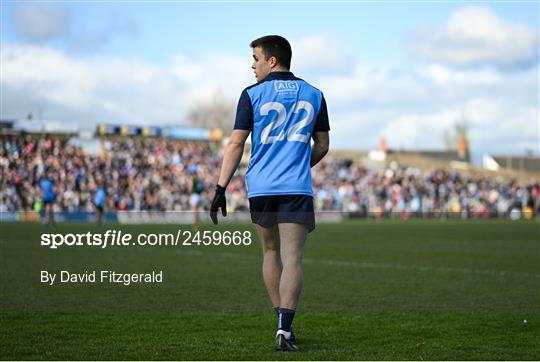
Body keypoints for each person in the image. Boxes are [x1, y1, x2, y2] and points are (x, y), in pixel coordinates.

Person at [210, 35, 330, 352]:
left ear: (271, 60)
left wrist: (220, 188)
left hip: (261, 187)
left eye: (256, 58)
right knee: (293, 259)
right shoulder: (315, 93)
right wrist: (298, 165)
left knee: (270, 253)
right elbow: (323, 146)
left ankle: (279, 320)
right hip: (295, 187)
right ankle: (284, 330)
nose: (252, 65)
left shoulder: (252, 94)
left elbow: (235, 144)